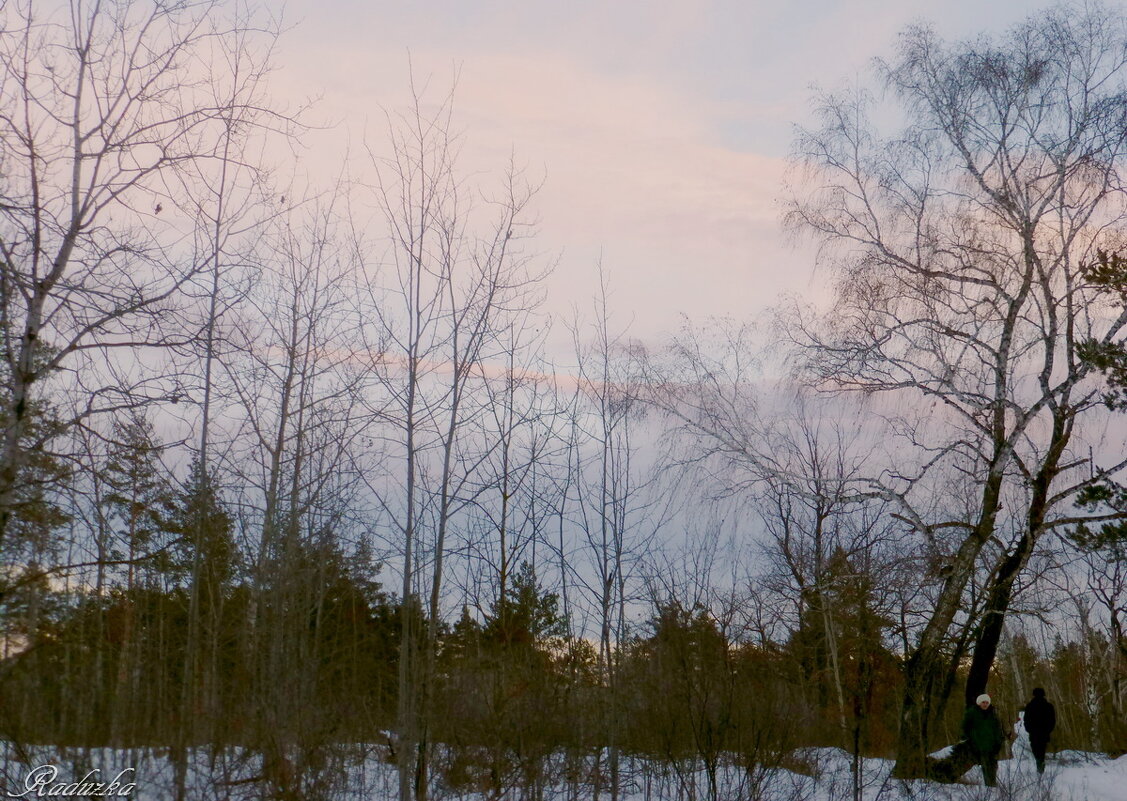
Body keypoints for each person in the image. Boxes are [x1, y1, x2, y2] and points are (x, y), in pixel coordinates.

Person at [963, 693, 1006, 787]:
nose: (985, 704)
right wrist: (971, 741)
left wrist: (999, 742)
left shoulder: (993, 714)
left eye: (987, 702)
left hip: (992, 746)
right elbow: (965, 729)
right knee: (986, 766)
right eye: (983, 702)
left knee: (993, 766)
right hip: (980, 745)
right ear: (979, 703)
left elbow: (998, 729)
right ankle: (989, 786)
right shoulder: (972, 713)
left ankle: (993, 783)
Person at [1022, 687, 1056, 774]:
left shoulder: (1030, 705)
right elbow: (1052, 721)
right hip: (1043, 732)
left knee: (1036, 749)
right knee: (1042, 749)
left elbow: (1026, 719)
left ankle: (1039, 763)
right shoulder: (1048, 706)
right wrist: (1048, 730)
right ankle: (1040, 763)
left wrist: (1029, 729)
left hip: (1034, 733)